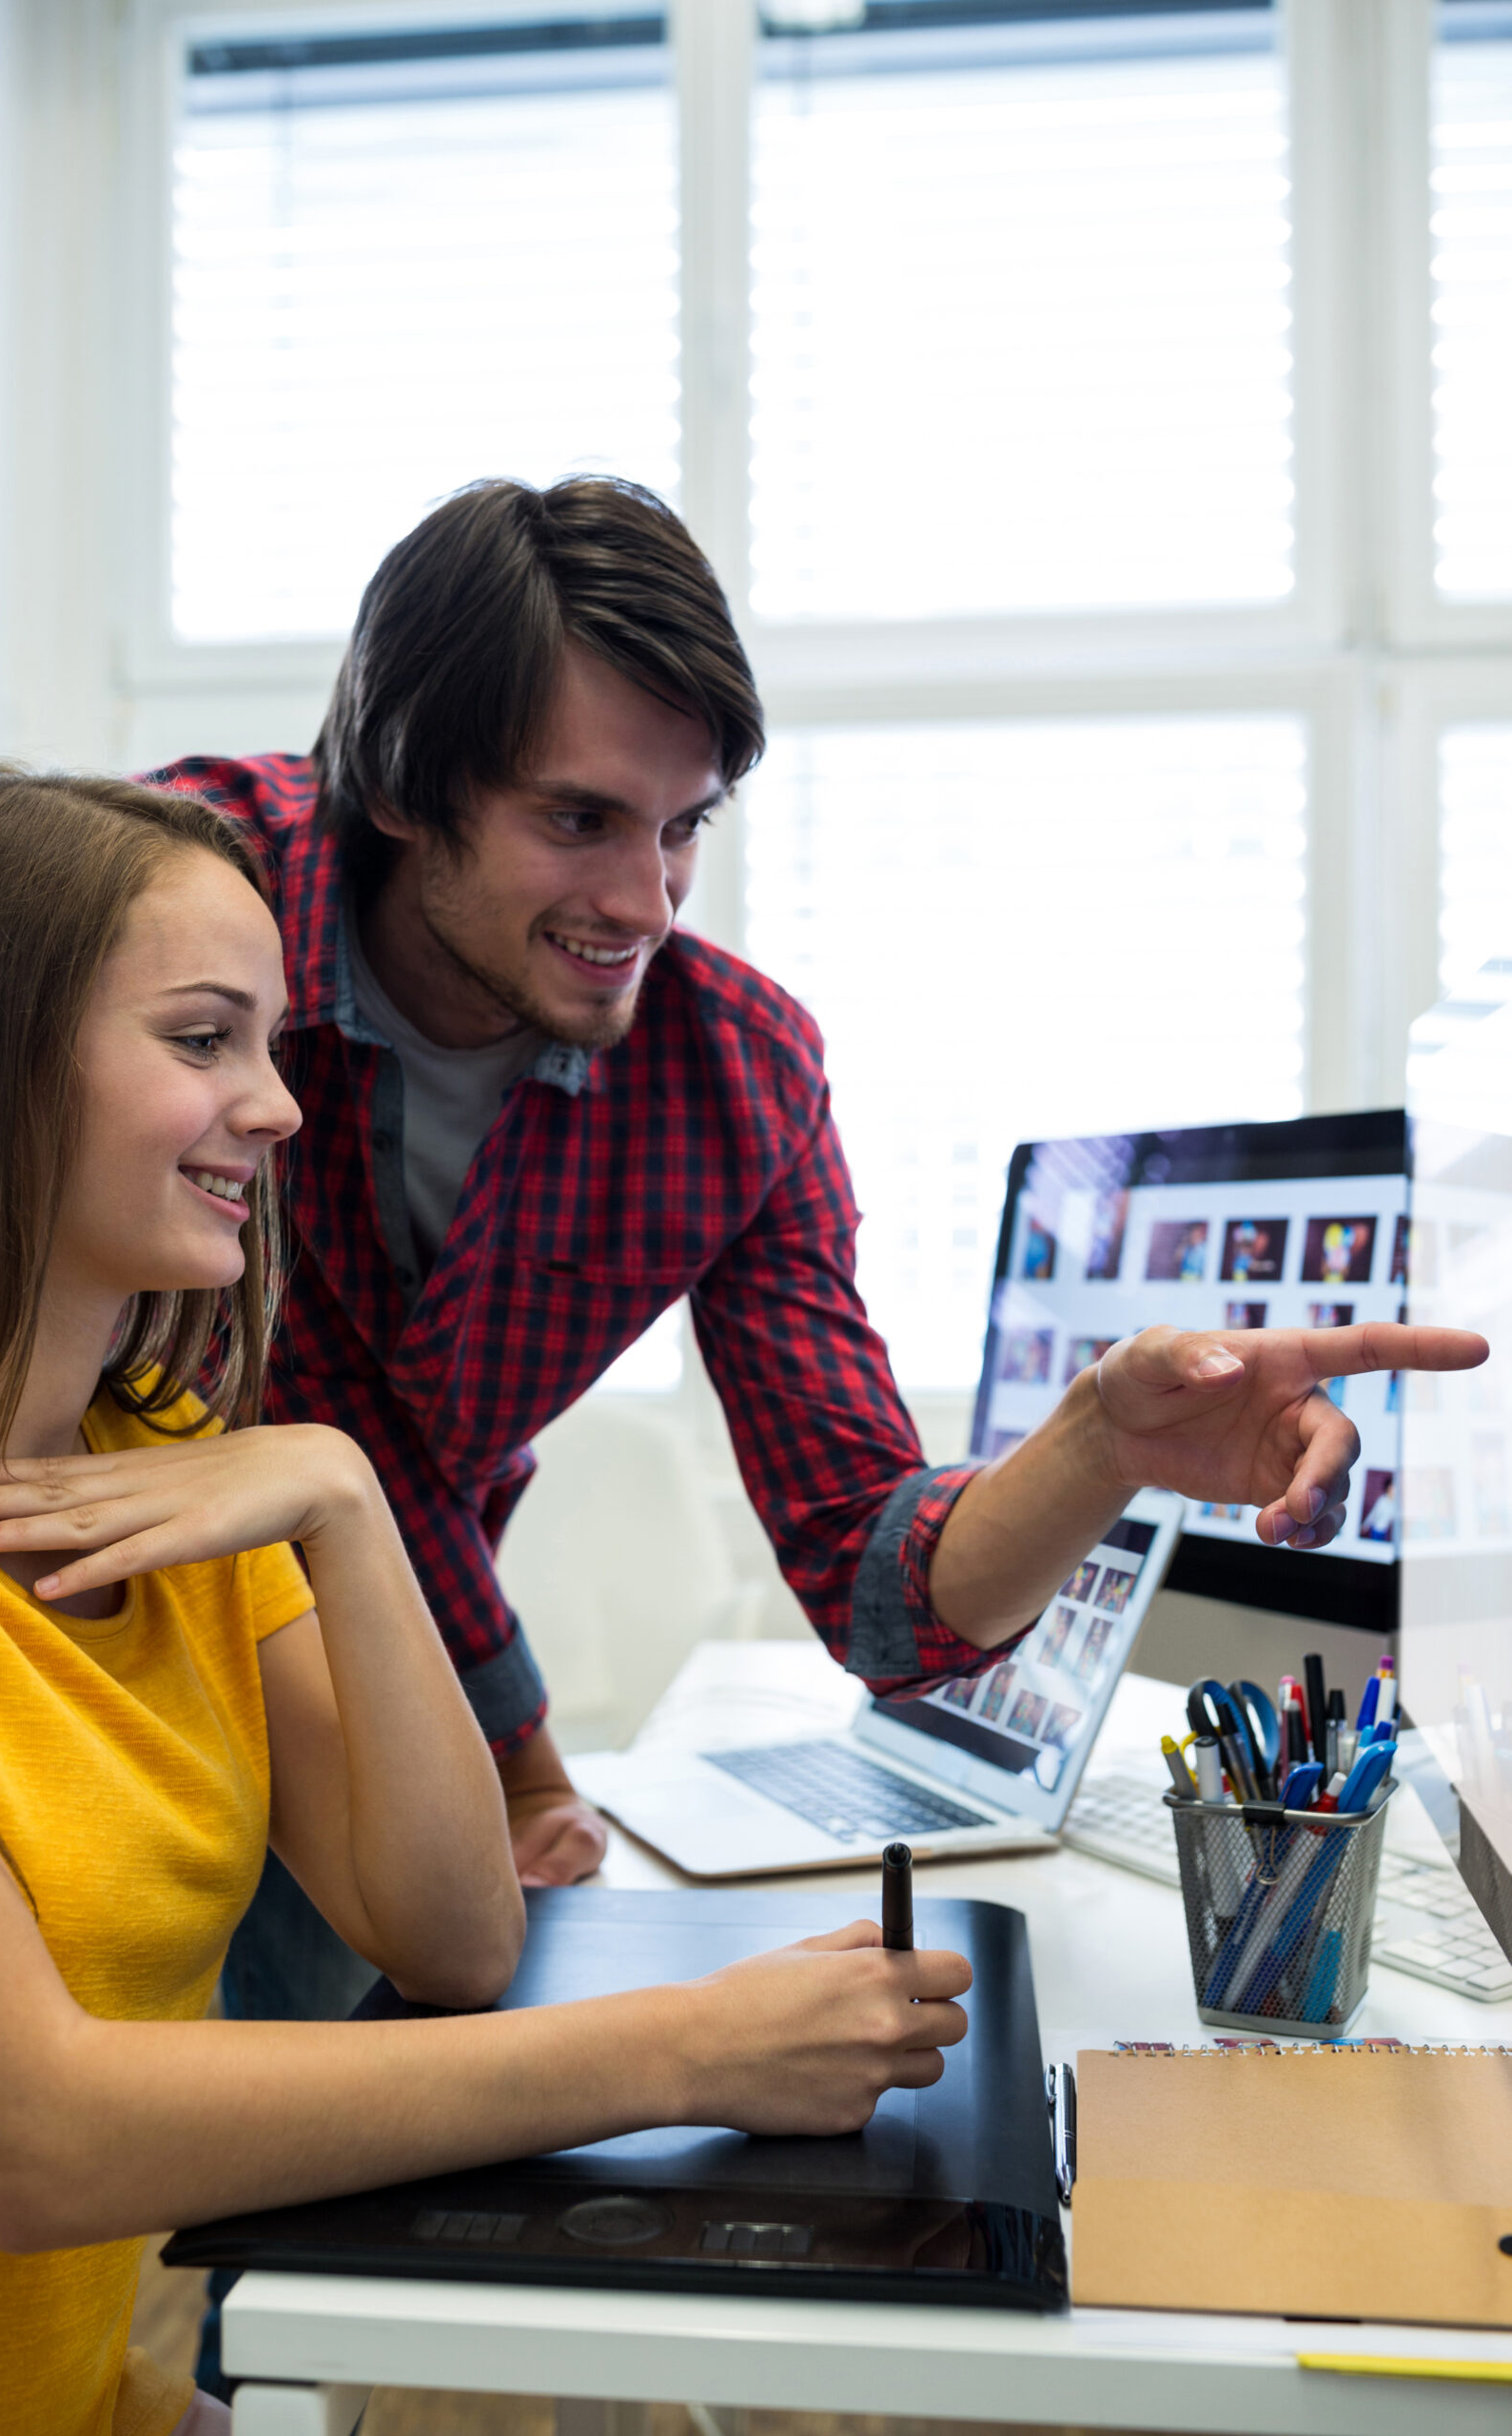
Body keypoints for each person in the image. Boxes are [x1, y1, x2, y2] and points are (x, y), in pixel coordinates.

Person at [145, 477, 1488, 1998]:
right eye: (579, 819)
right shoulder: (177, 900)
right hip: (71, 1642)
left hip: (356, 1667)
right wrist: (515, 1744)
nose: (646, 902)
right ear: (402, 783)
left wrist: (1101, 1445)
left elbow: (876, 1579)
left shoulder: (733, 1074)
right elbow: (269, 1402)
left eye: (682, 828)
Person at [0, 765, 977, 2436]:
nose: (278, 1106)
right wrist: (691, 2051)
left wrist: (347, 1501)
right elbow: (37, 2142)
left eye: (269, 1042)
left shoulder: (172, 1465)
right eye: (202, 1041)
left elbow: (455, 1937)